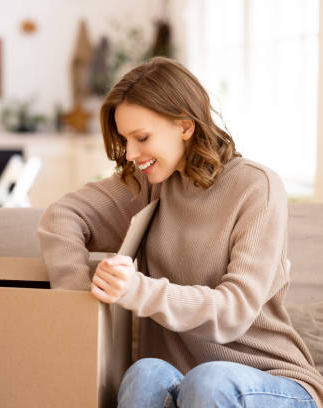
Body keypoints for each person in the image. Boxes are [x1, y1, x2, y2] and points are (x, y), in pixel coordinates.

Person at [38, 57, 323, 407]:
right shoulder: (147, 185)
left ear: (185, 126)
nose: (130, 154)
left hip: (272, 383)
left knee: (209, 380)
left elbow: (233, 311)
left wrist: (137, 289)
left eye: (141, 138)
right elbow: (62, 215)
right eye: (125, 139)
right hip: (185, 384)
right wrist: (79, 309)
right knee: (144, 373)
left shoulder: (256, 187)